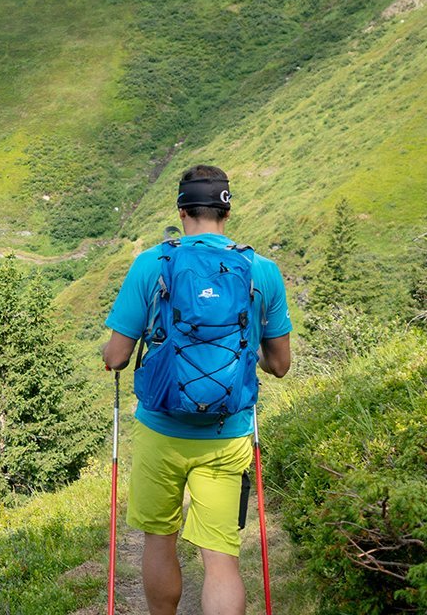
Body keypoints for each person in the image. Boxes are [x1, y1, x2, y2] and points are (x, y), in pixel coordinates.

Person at [101, 164, 292, 615]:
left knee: (159, 539)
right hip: (227, 434)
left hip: (161, 430)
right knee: (221, 559)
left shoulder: (152, 264)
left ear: (181, 210)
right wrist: (249, 353)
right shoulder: (261, 270)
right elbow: (280, 365)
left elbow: (117, 356)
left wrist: (110, 353)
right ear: (227, 212)